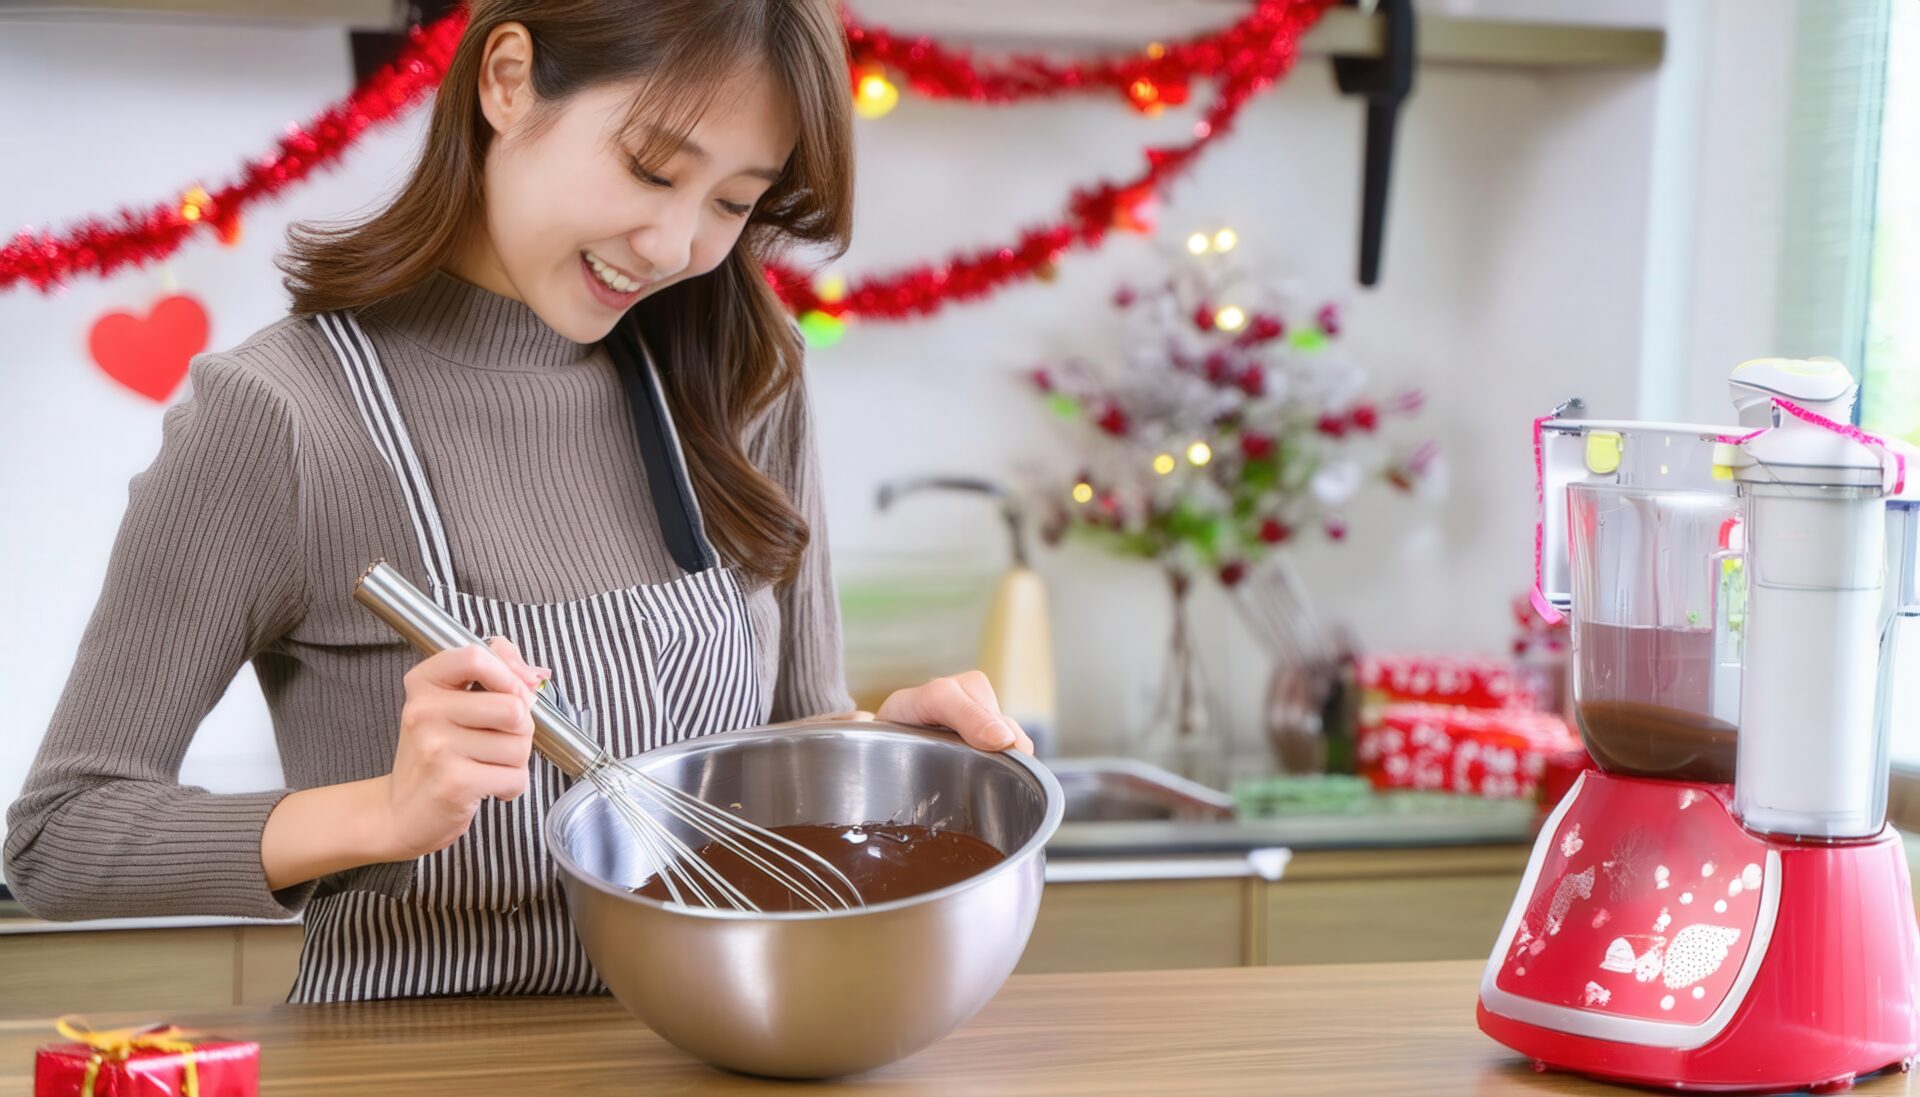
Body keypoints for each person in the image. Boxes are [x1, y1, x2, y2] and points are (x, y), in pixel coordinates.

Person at [6, 0, 1032, 1002]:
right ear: (507, 81)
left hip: (719, 1059)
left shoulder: (743, 378)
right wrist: (382, 813)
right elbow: (61, 837)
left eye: (732, 203)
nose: (673, 244)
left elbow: (791, 739)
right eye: (652, 168)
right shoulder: (283, 417)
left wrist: (885, 750)